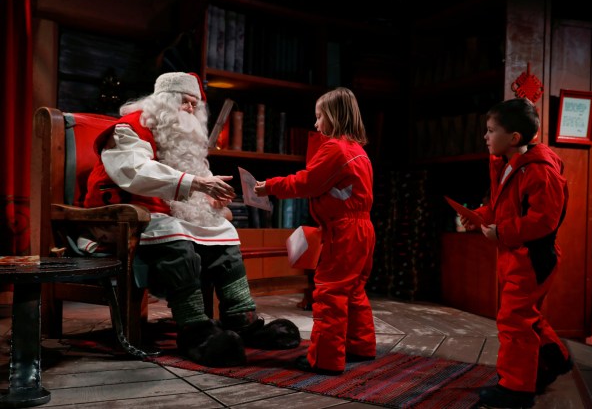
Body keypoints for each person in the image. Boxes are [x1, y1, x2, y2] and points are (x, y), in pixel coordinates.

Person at [83, 71, 300, 367]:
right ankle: (194, 329)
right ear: (163, 101)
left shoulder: (182, 138)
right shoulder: (129, 129)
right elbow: (134, 172)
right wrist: (196, 184)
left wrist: (210, 196)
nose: (190, 110)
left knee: (222, 228)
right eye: (184, 102)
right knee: (175, 235)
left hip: (160, 214)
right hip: (120, 215)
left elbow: (194, 178)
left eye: (194, 105)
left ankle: (242, 320)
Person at [254, 87, 376, 375]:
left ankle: (324, 359)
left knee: (330, 292)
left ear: (333, 117)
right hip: (363, 229)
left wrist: (269, 186)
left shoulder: (335, 148)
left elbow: (307, 182)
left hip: (343, 230)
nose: (316, 124)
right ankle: (360, 345)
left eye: (319, 117)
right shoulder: (359, 151)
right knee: (354, 289)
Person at [459, 98, 573, 408]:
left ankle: (516, 389)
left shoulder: (539, 172)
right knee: (525, 318)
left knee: (514, 321)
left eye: (491, 130)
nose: (485, 136)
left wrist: (503, 232)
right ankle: (554, 358)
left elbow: (544, 221)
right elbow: (502, 209)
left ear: (514, 138)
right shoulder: (508, 164)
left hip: (532, 257)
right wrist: (479, 217)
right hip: (515, 254)